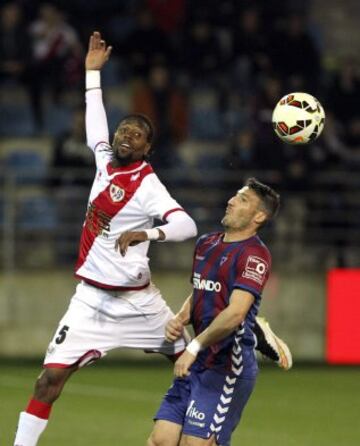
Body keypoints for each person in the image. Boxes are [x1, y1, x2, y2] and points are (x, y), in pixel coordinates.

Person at [14, 32, 290, 446]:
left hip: (138, 301)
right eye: (123, 128)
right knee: (47, 382)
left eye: (137, 134)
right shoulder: (104, 160)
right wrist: (92, 73)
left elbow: (186, 226)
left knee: (192, 355)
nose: (125, 135)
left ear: (147, 148)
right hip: (90, 300)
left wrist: (148, 231)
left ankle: (248, 333)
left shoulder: (148, 185)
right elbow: (95, 119)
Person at [147, 178, 284, 446]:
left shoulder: (255, 256)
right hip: (199, 360)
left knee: (195, 444)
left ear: (259, 216)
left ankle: (252, 332)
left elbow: (235, 313)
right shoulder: (206, 242)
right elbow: (200, 290)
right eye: (235, 195)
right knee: (160, 440)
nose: (231, 201)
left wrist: (193, 346)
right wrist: (180, 318)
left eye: (243, 199)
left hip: (227, 366)